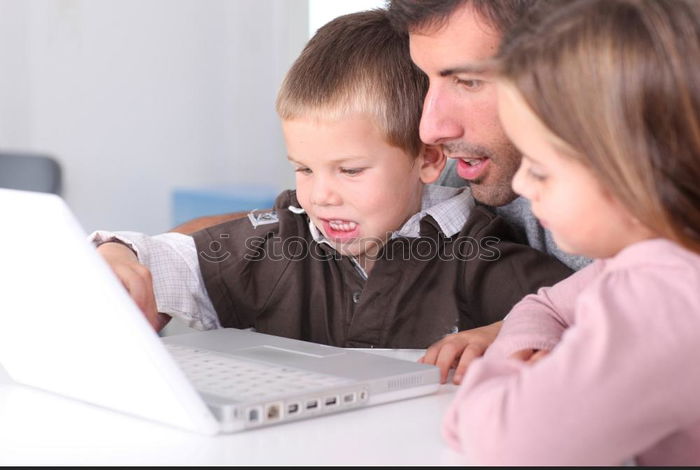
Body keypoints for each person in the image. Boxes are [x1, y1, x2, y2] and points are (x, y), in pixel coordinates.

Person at [93, 10, 571, 348]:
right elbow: (179, 259)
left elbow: (586, 321)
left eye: (351, 171)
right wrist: (120, 254)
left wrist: (514, 334)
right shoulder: (286, 238)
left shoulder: (485, 258)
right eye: (303, 168)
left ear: (427, 159)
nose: (320, 196)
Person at [443, 0, 700, 465]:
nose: (522, 185)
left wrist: (510, 377)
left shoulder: (658, 297)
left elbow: (506, 444)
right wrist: (534, 347)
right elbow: (543, 305)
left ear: (633, 170)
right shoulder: (654, 262)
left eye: (540, 170)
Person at [385, 0, 593, 383]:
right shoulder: (458, 171)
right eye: (424, 80)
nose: (430, 129)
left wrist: (513, 332)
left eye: (467, 82)